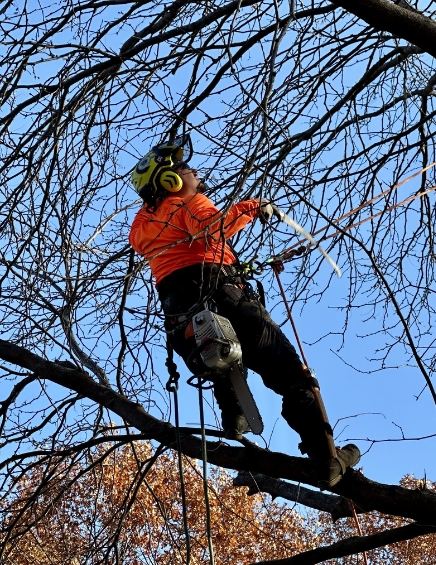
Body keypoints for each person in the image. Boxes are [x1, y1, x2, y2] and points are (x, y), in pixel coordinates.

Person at [128, 137, 360, 487]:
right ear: (170, 181)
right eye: (185, 170)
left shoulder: (141, 226)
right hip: (224, 299)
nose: (195, 172)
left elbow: (179, 246)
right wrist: (254, 206)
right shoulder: (187, 203)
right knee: (293, 376)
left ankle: (233, 412)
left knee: (222, 354)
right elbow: (212, 230)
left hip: (180, 324)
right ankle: (327, 459)